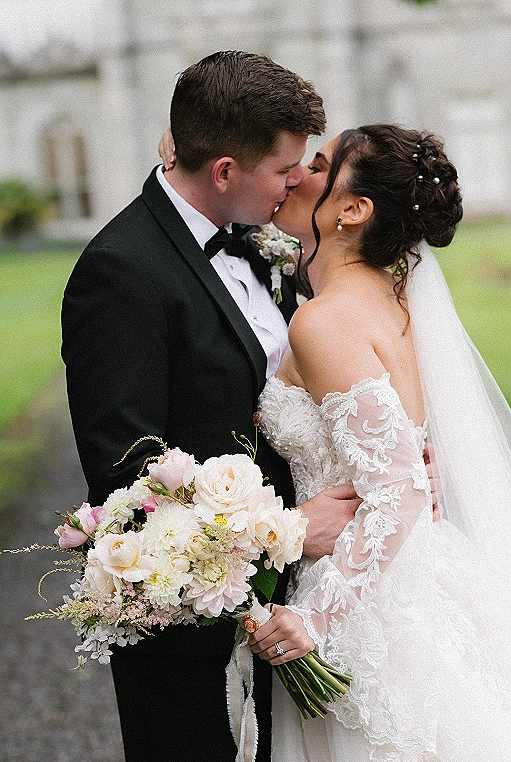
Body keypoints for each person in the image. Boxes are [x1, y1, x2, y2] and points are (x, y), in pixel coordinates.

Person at [61, 51, 363, 762]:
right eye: (285, 168)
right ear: (225, 171)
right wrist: (285, 529)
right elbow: (127, 481)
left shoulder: (261, 244)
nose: (299, 182)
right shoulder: (120, 272)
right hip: (190, 642)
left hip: (292, 611)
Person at [248, 124, 511, 761]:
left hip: (367, 605)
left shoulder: (325, 319)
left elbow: (398, 487)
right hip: (421, 570)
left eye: (318, 165)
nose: (297, 174)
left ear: (353, 210)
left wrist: (314, 619)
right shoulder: (395, 299)